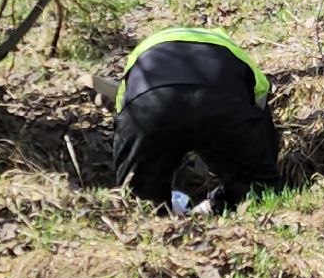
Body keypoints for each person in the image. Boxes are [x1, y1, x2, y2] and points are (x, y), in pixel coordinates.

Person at [113, 27, 280, 214]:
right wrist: (261, 168)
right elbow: (261, 97)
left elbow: (123, 114)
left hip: (150, 106)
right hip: (222, 102)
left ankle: (153, 217)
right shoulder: (231, 49)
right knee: (259, 191)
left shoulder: (140, 52)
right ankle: (235, 201)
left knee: (140, 199)